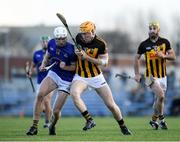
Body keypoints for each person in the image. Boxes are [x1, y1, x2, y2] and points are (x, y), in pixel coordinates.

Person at [70, 21, 132, 135]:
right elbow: (76, 50)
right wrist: (77, 52)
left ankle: (123, 126)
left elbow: (104, 63)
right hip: (81, 76)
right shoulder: (78, 38)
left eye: (87, 33)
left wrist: (87, 57)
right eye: (82, 33)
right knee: (74, 93)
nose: (84, 36)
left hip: (96, 77)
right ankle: (89, 120)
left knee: (111, 105)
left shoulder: (101, 44)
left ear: (93, 31)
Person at [26, 26, 77, 135]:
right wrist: (44, 64)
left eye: (63, 38)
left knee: (56, 111)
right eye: (58, 39)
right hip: (54, 73)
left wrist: (65, 67)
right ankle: (34, 126)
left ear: (66, 37)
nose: (61, 41)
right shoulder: (51, 43)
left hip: (66, 80)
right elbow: (47, 55)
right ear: (55, 38)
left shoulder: (72, 49)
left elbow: (75, 67)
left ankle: (52, 126)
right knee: (40, 95)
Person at [134, 21, 176, 130]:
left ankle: (153, 120)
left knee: (159, 100)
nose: (151, 30)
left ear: (158, 30)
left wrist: (164, 56)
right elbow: (136, 58)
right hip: (149, 76)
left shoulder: (165, 42)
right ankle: (162, 119)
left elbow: (173, 56)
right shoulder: (144, 44)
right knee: (161, 95)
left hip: (163, 76)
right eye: (150, 28)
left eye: (154, 28)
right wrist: (137, 74)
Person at [26, 35, 52, 128]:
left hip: (50, 81)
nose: (44, 43)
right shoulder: (36, 53)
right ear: (41, 43)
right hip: (39, 82)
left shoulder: (52, 53)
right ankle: (47, 113)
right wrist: (29, 71)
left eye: (46, 41)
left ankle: (47, 122)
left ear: (49, 42)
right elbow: (32, 65)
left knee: (46, 100)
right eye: (43, 41)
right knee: (39, 101)